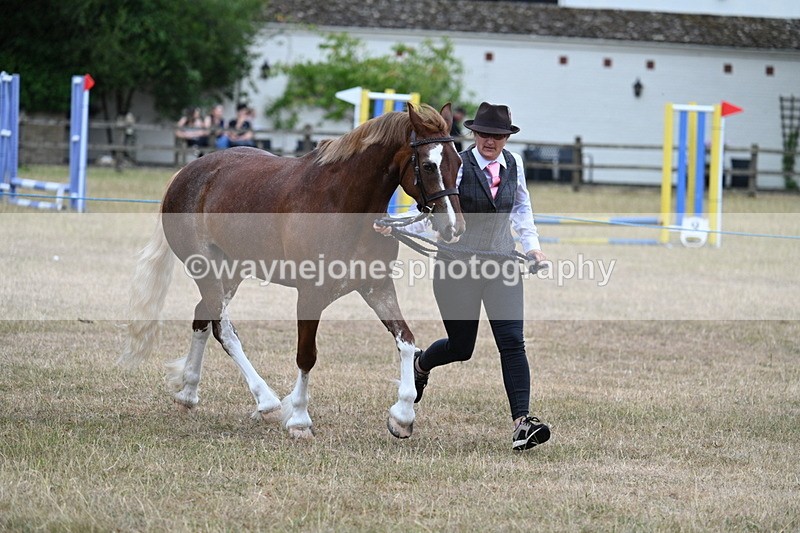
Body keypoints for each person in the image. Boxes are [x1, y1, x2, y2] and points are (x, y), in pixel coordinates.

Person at [374, 102, 550, 451]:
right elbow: (429, 214)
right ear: (474, 134)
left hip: (501, 264)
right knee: (461, 347)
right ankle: (422, 364)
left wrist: (533, 248)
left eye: (498, 135)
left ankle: (522, 423)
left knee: (513, 342)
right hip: (457, 268)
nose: (491, 141)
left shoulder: (514, 165)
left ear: (506, 137)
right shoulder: (457, 165)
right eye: (485, 134)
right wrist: (397, 228)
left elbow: (521, 209)